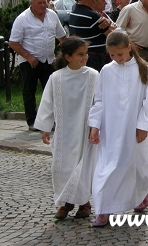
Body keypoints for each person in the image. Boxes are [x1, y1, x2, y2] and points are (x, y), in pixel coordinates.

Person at [88, 31, 148, 227]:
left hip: (134, 128)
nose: (117, 59)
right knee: (106, 169)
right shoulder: (107, 71)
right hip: (111, 129)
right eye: (112, 55)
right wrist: (95, 125)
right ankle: (103, 209)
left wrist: (143, 125)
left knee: (137, 166)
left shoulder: (143, 69)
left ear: (129, 47)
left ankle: (140, 193)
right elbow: (99, 100)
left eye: (120, 54)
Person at [34, 37, 98, 220]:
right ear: (68, 57)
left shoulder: (93, 76)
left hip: (85, 130)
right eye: (80, 54)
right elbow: (47, 102)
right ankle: (65, 202)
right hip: (64, 131)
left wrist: (97, 126)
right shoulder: (56, 78)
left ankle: (84, 202)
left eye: (86, 53)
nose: (85, 57)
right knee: (61, 167)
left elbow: (100, 102)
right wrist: (45, 127)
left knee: (83, 166)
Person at [9, 0, 67, 131]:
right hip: (30, 60)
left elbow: (62, 36)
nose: (42, 5)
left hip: (48, 59)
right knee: (29, 90)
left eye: (44, 2)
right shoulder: (23, 19)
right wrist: (29, 56)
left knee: (52, 91)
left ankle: (50, 120)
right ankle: (32, 121)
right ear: (31, 4)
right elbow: (13, 42)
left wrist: (62, 52)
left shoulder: (52, 15)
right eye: (39, 3)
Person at [69, 0, 114, 72]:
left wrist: (108, 22)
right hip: (94, 59)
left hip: (82, 56)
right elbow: (112, 35)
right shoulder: (91, 15)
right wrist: (110, 24)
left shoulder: (74, 12)